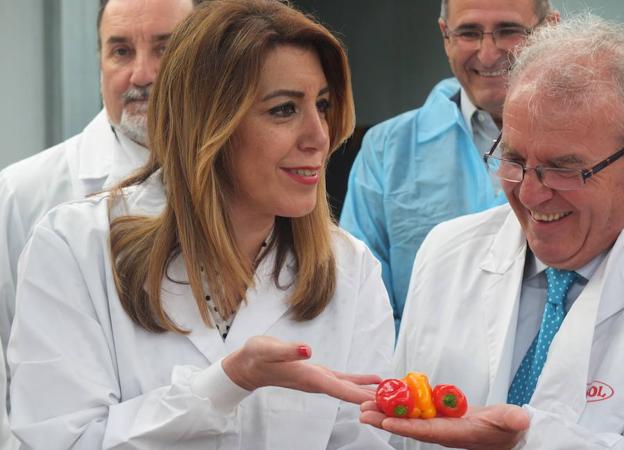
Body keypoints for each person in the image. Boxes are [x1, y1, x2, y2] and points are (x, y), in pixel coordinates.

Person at [8, 1, 395, 448]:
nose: (318, 137)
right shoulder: (75, 248)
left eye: (322, 106)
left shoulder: (349, 266)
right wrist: (223, 385)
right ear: (208, 120)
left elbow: (362, 441)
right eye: (284, 109)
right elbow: (61, 440)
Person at [362, 14, 624, 449]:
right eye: (514, 159)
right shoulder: (447, 253)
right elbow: (394, 438)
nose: (531, 194)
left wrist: (525, 441)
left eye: (563, 169)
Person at [0, 0, 198, 371]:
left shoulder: (249, 183)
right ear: (99, 62)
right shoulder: (22, 193)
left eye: (165, 49)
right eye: (121, 51)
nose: (142, 75)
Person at [340, 0, 559, 332]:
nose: (488, 54)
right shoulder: (387, 151)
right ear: (446, 36)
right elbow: (361, 308)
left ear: (550, 29)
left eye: (509, 31)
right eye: (469, 32)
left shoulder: (603, 145)